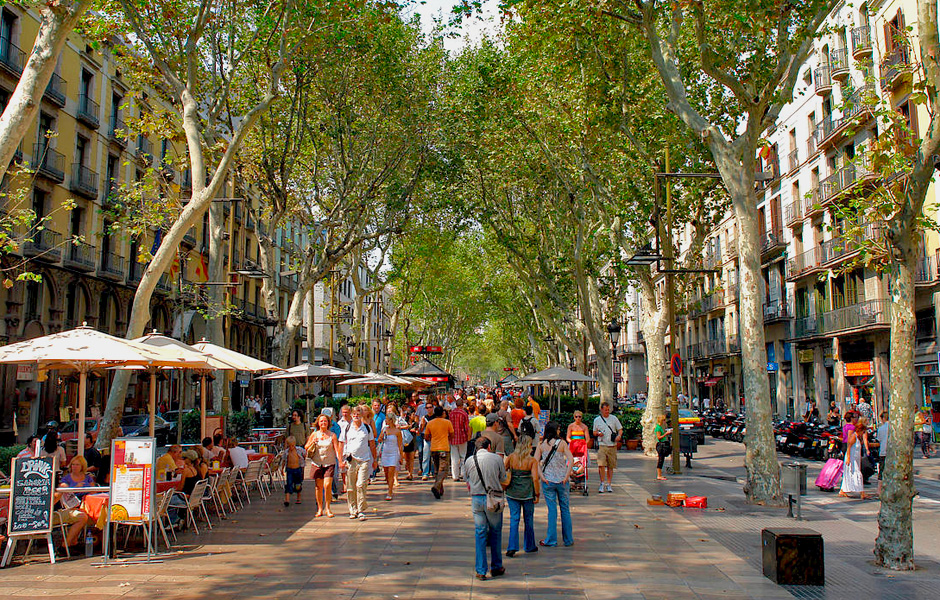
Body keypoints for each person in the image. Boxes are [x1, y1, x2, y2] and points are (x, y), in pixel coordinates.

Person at [463, 436, 507, 581]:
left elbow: (466, 478)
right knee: (495, 532)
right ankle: (496, 566)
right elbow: (503, 477)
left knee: (480, 532)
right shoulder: (496, 459)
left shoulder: (470, 460)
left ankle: (481, 569)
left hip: (476, 498)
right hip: (493, 498)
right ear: (489, 447)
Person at [535, 421, 573, 548]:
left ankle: (551, 539)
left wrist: (542, 476)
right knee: (565, 509)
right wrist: (567, 475)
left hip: (548, 480)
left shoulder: (541, 445)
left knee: (552, 510)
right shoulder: (562, 443)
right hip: (562, 480)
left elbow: (535, 462)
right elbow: (571, 459)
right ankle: (568, 539)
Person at [503, 434, 540, 557]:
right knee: (528, 519)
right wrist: (537, 493)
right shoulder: (532, 460)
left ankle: (512, 546)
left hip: (512, 491)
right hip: (527, 492)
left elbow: (503, 471)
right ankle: (529, 545)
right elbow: (535, 479)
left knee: (514, 518)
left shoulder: (511, 457)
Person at [339, 406, 377, 520]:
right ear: (351, 415)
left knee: (360, 484)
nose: (356, 416)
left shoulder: (367, 428)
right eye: (354, 414)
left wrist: (375, 460)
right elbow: (341, 443)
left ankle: (361, 509)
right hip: (351, 460)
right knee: (351, 486)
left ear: (362, 415)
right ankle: (353, 509)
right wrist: (341, 460)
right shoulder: (347, 428)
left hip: (364, 459)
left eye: (358, 414)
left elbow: (372, 444)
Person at [306, 414, 341, 517]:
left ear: (328, 423)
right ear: (318, 423)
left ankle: (328, 508)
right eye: (321, 421)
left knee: (327, 485)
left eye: (325, 421)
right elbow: (306, 446)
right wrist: (312, 441)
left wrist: (341, 461)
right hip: (317, 463)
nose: (323, 423)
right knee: (318, 487)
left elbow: (337, 449)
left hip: (329, 463)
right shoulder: (314, 434)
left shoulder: (332, 435)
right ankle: (320, 508)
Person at [592, 401, 622, 493]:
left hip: (612, 445)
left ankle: (609, 484)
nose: (607, 412)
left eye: (608, 410)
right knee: (601, 465)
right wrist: (598, 433)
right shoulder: (597, 420)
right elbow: (594, 432)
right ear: (601, 410)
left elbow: (620, 429)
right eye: (605, 410)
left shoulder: (614, 419)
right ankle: (602, 483)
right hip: (602, 445)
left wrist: (619, 436)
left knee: (610, 466)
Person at [425, 405, 454, 499]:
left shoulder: (430, 423)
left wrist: (432, 438)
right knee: (444, 470)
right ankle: (437, 486)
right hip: (444, 448)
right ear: (442, 413)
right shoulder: (447, 422)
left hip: (434, 448)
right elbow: (452, 435)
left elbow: (426, 436)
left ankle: (439, 489)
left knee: (437, 470)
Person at [840, 419, 870, 499]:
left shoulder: (858, 437)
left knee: (851, 473)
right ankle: (861, 492)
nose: (863, 434)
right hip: (852, 458)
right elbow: (849, 447)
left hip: (855, 458)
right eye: (863, 432)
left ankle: (843, 489)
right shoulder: (854, 436)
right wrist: (849, 458)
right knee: (857, 473)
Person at [378, 413, 404, 501]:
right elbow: (379, 440)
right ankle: (389, 484)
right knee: (386, 472)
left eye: (387, 419)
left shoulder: (397, 431)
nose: (385, 421)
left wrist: (401, 456)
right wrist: (381, 436)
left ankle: (389, 491)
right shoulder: (384, 429)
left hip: (393, 453)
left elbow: (400, 445)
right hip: (385, 452)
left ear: (391, 420)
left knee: (391, 472)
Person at [448, 398, 471, 481]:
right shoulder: (464, 414)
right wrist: (468, 436)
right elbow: (466, 427)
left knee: (454, 458)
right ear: (462, 405)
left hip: (453, 438)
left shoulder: (451, 414)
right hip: (462, 438)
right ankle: (463, 475)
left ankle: (455, 476)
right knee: (463, 457)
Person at [280, 435, 306, 507]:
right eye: (289, 445)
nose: (291, 447)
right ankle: (287, 499)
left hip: (297, 469)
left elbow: (304, 454)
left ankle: (298, 498)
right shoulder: (286, 452)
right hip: (289, 469)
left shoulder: (299, 450)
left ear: (294, 444)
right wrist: (282, 469)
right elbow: (284, 460)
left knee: (298, 484)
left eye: (292, 445)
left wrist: (303, 463)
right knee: (288, 484)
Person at [402, 408, 418, 480]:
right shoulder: (404, 423)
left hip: (412, 443)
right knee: (406, 458)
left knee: (411, 458)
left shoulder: (415, 423)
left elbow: (416, 430)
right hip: (405, 442)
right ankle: (408, 468)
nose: (414, 416)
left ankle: (410, 473)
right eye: (413, 414)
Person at [654, 414, 671, 481]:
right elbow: (659, 437)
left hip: (663, 444)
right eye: (663, 420)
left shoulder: (660, 427)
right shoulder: (658, 428)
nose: (664, 421)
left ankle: (660, 474)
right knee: (660, 460)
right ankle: (659, 475)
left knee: (662, 459)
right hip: (661, 445)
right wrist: (666, 434)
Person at [875, 411, 889, 495]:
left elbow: (879, 439)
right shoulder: (895, 428)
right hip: (893, 452)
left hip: (883, 451)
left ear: (883, 418)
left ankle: (879, 490)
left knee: (882, 470)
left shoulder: (881, 428)